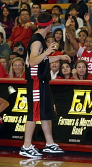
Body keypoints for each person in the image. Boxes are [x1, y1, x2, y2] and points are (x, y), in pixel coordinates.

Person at [20, 12, 71, 158]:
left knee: (45, 112)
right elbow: (33, 61)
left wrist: (58, 56)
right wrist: (48, 51)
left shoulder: (39, 38)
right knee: (34, 113)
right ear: (49, 26)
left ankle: (49, 143)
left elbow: (42, 60)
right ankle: (26, 146)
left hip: (41, 80)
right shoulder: (37, 41)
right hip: (36, 81)